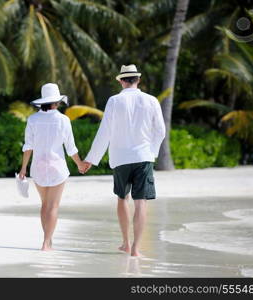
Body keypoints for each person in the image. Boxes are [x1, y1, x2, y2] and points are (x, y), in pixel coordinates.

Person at [83, 64, 166, 257]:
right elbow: (160, 131)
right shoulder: (151, 100)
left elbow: (104, 132)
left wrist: (91, 160)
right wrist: (151, 152)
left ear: (121, 80)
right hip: (143, 157)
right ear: (138, 80)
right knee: (141, 202)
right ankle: (136, 249)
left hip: (120, 158)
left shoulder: (114, 101)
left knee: (122, 198)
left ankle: (126, 243)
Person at [19, 83, 87, 251]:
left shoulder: (33, 119)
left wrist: (23, 169)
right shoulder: (63, 120)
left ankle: (47, 241)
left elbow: (28, 146)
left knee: (45, 205)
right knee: (53, 206)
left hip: (38, 167)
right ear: (56, 101)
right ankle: (46, 242)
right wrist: (80, 164)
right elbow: (71, 148)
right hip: (57, 168)